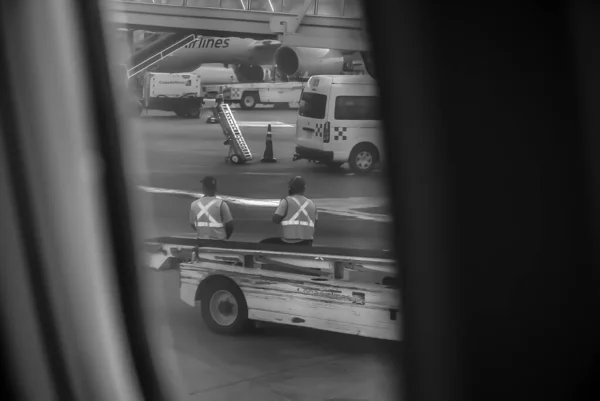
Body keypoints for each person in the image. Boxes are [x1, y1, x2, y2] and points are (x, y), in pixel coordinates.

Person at [261, 176, 317, 246]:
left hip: (290, 242)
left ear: (290, 188)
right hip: (307, 243)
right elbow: (315, 224)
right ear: (304, 188)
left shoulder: (286, 201)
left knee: (263, 244)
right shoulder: (312, 204)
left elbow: (275, 220)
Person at [190, 176, 234, 242]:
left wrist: (204, 232)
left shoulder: (194, 204)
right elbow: (229, 226)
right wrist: (224, 238)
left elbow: (192, 224)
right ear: (215, 188)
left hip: (202, 241)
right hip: (219, 242)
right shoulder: (221, 204)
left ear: (203, 188)